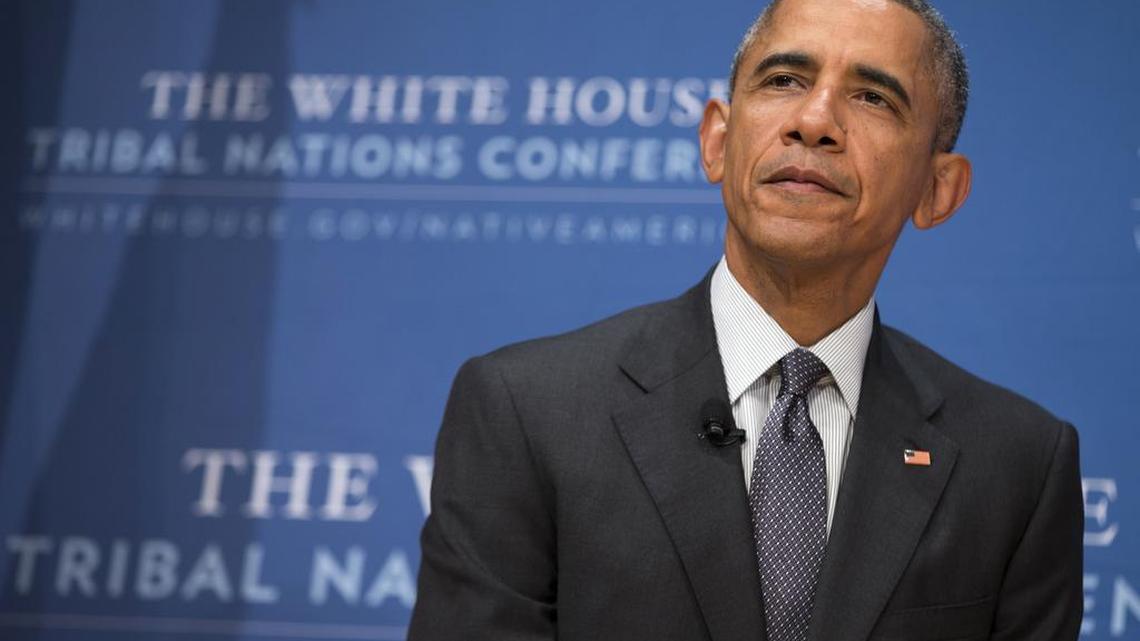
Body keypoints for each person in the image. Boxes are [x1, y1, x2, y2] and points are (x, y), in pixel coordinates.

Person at [408, 0, 1084, 639]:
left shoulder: (1018, 465)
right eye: (784, 79)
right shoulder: (527, 411)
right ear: (717, 141)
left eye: (873, 97)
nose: (814, 121)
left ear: (939, 190)